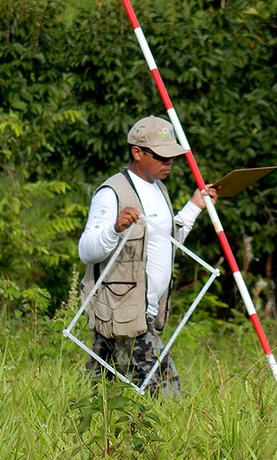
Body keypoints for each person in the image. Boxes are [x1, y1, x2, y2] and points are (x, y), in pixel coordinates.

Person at [78, 115, 217, 396]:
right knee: (166, 390)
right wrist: (115, 229)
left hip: (146, 310)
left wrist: (194, 207)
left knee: (102, 393)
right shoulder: (112, 191)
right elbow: (87, 251)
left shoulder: (159, 188)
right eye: (161, 156)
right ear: (137, 152)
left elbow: (164, 242)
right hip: (124, 311)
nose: (168, 163)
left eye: (172, 157)